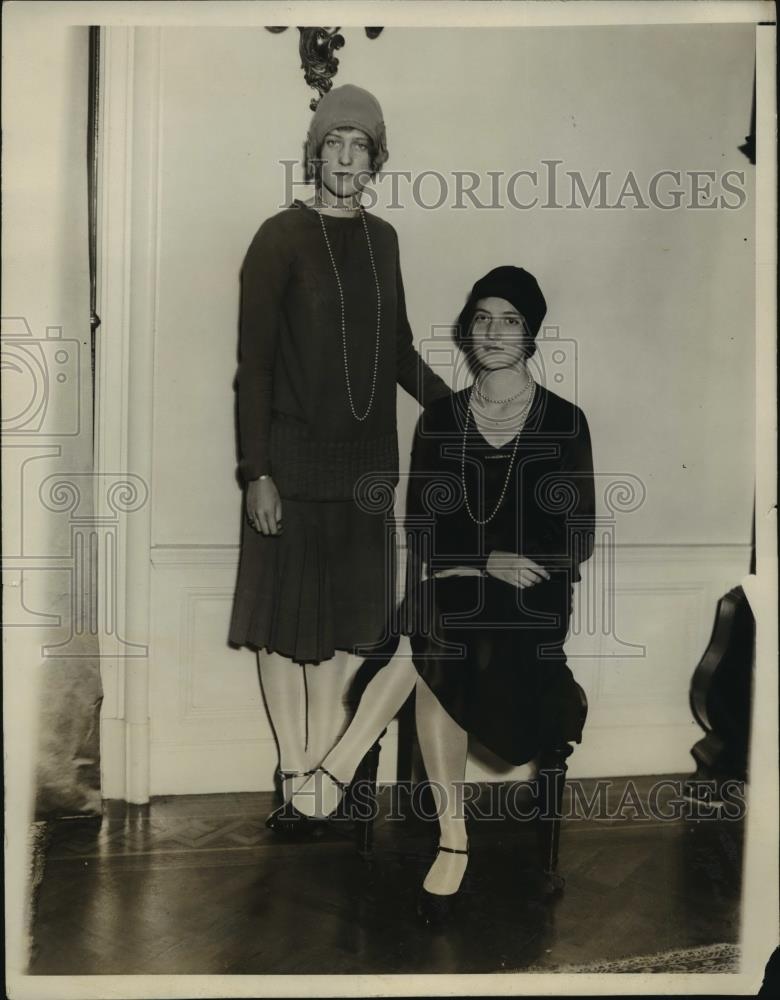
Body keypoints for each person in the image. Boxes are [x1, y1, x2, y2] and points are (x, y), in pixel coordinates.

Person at [228, 84, 450, 825]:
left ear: (377, 159)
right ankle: (293, 766)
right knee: (284, 624)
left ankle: (322, 768)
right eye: (335, 145)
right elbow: (252, 367)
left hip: (365, 466)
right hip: (290, 463)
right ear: (315, 154)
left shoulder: (384, 239)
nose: (348, 158)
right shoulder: (277, 238)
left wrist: (460, 408)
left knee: (348, 630)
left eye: (362, 146)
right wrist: (256, 471)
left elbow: (398, 351)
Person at [404, 266, 595, 924]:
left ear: (531, 335)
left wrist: (515, 564)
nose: (492, 331)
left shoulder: (565, 422)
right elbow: (423, 529)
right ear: (466, 331)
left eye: (509, 320)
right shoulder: (438, 420)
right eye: (481, 318)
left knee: (438, 635)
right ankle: (453, 838)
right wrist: (484, 558)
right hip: (460, 587)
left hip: (534, 602)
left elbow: (577, 536)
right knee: (445, 628)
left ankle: (346, 766)